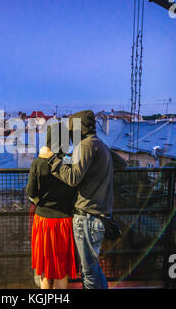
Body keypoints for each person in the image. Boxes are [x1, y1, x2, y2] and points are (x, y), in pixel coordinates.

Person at [41, 110, 114, 289]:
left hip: (87, 217)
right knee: (94, 269)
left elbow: (73, 178)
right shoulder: (100, 145)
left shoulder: (86, 146)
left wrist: (51, 159)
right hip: (100, 214)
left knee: (88, 272)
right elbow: (123, 164)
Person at [26, 122, 77, 289]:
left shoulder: (38, 163)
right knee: (62, 273)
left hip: (44, 222)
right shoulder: (70, 162)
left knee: (46, 273)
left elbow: (31, 192)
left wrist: (38, 201)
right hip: (65, 221)